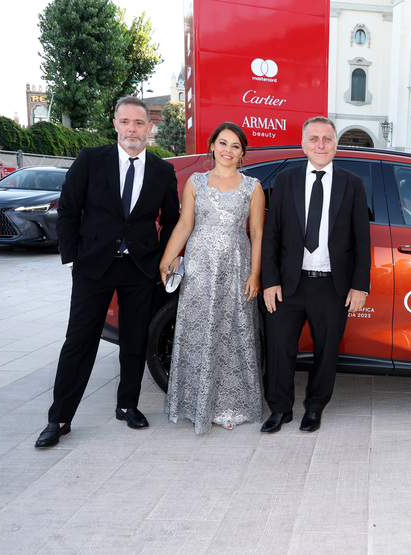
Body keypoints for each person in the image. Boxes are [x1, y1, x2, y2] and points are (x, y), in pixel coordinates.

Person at [35, 96, 179, 448]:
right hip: (93, 267)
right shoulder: (90, 159)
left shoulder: (162, 170)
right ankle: (60, 418)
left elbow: (173, 221)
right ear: (115, 124)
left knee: (134, 341)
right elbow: (68, 210)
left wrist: (159, 262)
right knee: (79, 342)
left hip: (138, 269)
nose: (132, 128)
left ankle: (127, 405)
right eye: (126, 121)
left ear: (149, 128)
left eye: (139, 123)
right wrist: (72, 258)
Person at [260, 116, 371, 433]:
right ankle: (280, 409)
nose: (321, 145)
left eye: (327, 138)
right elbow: (272, 235)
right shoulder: (286, 180)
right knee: (280, 349)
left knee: (326, 352)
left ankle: (315, 408)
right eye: (314, 139)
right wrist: (271, 281)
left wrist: (359, 286)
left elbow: (362, 239)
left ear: (336, 144)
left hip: (332, 286)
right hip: (288, 285)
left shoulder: (352, 183)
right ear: (303, 144)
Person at [159, 122, 265, 434]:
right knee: (198, 329)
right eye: (223, 143)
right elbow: (184, 225)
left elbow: (257, 234)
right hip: (200, 267)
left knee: (232, 332)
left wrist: (255, 274)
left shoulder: (252, 187)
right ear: (212, 146)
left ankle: (231, 406)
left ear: (243, 152)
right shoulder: (195, 182)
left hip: (236, 267)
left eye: (235, 146)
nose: (228, 150)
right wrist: (167, 258)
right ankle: (193, 404)